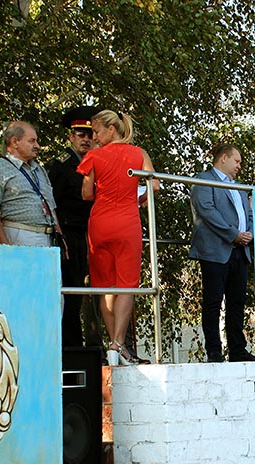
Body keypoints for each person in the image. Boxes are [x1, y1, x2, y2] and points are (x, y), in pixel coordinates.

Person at [77, 110, 159, 366]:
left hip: (100, 223)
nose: (94, 137)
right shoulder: (139, 154)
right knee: (126, 284)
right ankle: (117, 343)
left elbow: (86, 193)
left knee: (104, 286)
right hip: (127, 222)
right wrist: (138, 198)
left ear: (111, 129)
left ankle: (113, 344)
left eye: (97, 131)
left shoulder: (94, 156)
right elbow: (154, 185)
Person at [189, 143, 255, 363]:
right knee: (213, 301)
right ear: (224, 158)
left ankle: (238, 350)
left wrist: (249, 233)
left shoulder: (239, 187)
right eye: (237, 161)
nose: (239, 166)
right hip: (215, 251)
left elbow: (249, 214)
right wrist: (233, 234)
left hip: (240, 251)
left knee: (237, 303)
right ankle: (214, 351)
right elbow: (207, 212)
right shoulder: (204, 180)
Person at [47, 106, 102, 349]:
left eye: (90, 135)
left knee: (93, 292)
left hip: (92, 233)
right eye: (81, 134)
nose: (86, 139)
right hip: (70, 234)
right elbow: (52, 204)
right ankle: (71, 347)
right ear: (71, 136)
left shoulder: (96, 163)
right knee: (70, 293)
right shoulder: (60, 165)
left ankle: (93, 346)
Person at [0, 121, 64, 247]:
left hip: (48, 237)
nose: (37, 146)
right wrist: (5, 246)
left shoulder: (39, 170)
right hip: (19, 235)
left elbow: (51, 207)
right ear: (15, 142)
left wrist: (60, 237)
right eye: (32, 141)